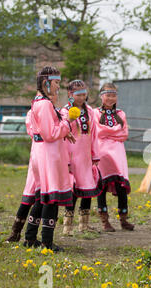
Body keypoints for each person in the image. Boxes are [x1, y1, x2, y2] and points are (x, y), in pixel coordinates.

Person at [27, 66, 76, 251]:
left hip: (43, 152)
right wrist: (67, 123)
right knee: (50, 197)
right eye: (56, 83)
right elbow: (50, 133)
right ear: (46, 83)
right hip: (48, 153)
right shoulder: (44, 104)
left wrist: (63, 123)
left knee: (43, 196)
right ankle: (47, 241)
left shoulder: (39, 102)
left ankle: (30, 237)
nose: (58, 87)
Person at [61, 80, 101, 236]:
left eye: (84, 94)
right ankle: (67, 226)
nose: (82, 97)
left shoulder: (89, 110)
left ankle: (84, 225)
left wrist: (95, 153)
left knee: (88, 187)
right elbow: (63, 136)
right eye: (78, 94)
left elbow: (94, 134)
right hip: (72, 154)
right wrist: (66, 160)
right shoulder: (65, 111)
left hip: (86, 156)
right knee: (73, 190)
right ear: (71, 94)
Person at [92, 83, 134, 232]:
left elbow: (124, 134)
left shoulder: (121, 114)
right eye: (108, 95)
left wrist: (108, 132)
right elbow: (98, 131)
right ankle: (105, 221)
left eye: (114, 95)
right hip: (102, 152)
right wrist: (114, 131)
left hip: (118, 153)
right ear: (102, 96)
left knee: (121, 186)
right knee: (101, 186)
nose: (111, 98)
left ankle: (123, 219)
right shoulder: (95, 113)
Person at [5, 109, 43, 243]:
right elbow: (33, 132)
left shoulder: (55, 111)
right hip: (38, 158)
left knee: (43, 200)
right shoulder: (32, 113)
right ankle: (15, 232)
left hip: (48, 161)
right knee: (28, 197)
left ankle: (32, 236)